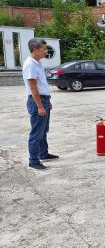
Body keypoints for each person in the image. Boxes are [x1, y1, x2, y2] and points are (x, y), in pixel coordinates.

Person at [23, 38, 59, 170]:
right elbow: (33, 88)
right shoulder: (30, 64)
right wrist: (39, 106)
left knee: (43, 130)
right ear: (35, 49)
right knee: (37, 132)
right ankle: (33, 160)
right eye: (44, 49)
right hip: (37, 101)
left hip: (44, 100)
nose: (46, 51)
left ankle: (43, 153)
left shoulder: (37, 63)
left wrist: (46, 102)